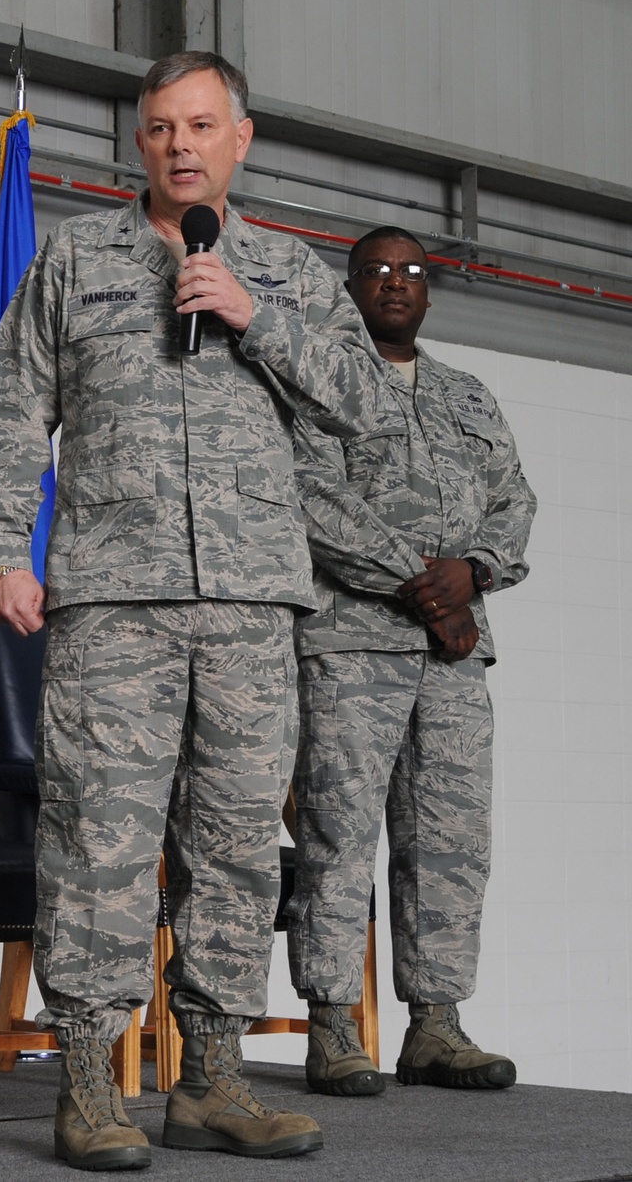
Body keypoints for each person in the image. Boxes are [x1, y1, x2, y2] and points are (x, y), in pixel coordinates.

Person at [0, 51, 384, 1169]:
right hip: (111, 598)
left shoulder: (288, 274)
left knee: (238, 845)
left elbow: (362, 410)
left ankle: (211, 1080)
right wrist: (7, 549)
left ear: (241, 138)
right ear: (138, 142)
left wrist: (255, 318)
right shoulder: (75, 258)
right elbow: (12, 408)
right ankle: (91, 1085)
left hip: (251, 601)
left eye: (200, 125)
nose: (179, 146)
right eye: (158, 129)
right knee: (97, 837)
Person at [285, 225, 536, 1098]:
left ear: (430, 290)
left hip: (455, 657)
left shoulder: (469, 394)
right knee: (338, 832)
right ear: (351, 285)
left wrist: (478, 572)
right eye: (378, 271)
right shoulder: (321, 376)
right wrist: (422, 586)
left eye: (412, 271)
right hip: (355, 641)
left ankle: (435, 1023)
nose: (396, 283)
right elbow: (309, 496)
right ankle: (332, 1025)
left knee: (451, 839)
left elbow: (513, 497)